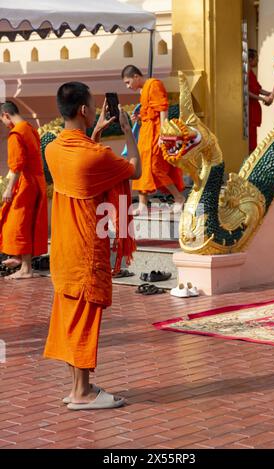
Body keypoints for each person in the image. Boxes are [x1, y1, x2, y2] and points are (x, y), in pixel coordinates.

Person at [43, 82, 141, 410]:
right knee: (85, 319)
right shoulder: (96, 154)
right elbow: (136, 170)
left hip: (63, 249)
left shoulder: (53, 150)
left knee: (70, 317)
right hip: (86, 248)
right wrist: (128, 132)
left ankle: (76, 388)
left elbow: (81, 169)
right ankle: (83, 394)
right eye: (93, 106)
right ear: (85, 111)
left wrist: (93, 135)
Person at [121, 65, 185, 215]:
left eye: (128, 82)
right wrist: (139, 117)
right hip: (146, 133)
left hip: (156, 133)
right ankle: (142, 204)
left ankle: (178, 197)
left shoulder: (154, 84)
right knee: (141, 167)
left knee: (156, 168)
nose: (128, 86)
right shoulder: (144, 90)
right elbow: (149, 112)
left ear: (136, 77)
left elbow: (163, 109)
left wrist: (164, 133)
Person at [0, 101, 48, 279]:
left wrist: (8, 189)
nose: (4, 124)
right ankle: (20, 259)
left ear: (6, 115)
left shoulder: (16, 134)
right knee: (27, 222)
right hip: (37, 181)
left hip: (26, 183)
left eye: (2, 120)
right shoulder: (30, 128)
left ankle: (26, 268)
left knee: (17, 223)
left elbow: (17, 166)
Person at [248, 49, 273, 153]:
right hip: (249, 108)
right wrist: (263, 98)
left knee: (253, 136)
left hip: (254, 109)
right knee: (250, 138)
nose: (257, 61)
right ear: (250, 59)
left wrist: (271, 93)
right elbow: (246, 92)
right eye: (256, 59)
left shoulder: (251, 72)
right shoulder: (245, 73)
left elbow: (257, 89)